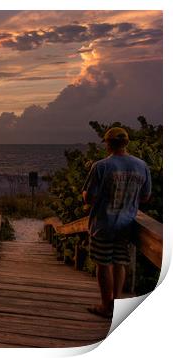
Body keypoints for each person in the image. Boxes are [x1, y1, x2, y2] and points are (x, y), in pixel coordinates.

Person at [82, 127, 151, 318]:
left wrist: (85, 194)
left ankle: (105, 306)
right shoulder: (142, 166)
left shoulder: (102, 166)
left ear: (108, 144)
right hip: (127, 224)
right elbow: (145, 197)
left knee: (103, 265)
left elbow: (89, 198)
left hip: (103, 224)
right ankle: (116, 302)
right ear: (126, 143)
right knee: (119, 263)